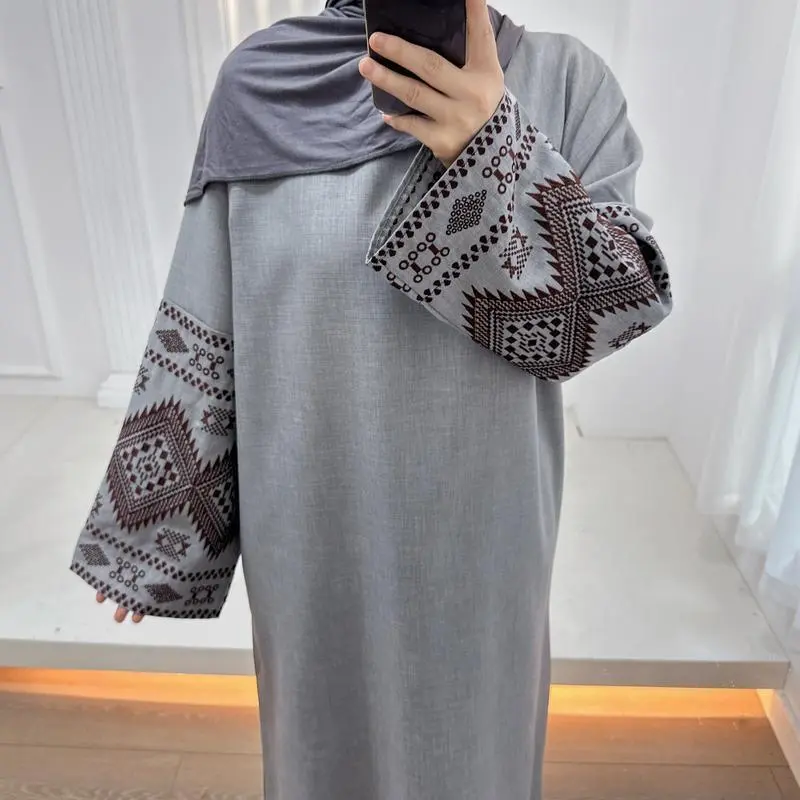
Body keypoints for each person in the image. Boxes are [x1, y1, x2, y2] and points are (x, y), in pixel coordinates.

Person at [69, 0, 672, 797]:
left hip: (481, 540)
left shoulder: (565, 80)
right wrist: (159, 525)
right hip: (310, 533)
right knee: (323, 749)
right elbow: (210, 313)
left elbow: (610, 315)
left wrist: (493, 145)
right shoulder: (260, 87)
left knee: (472, 754)